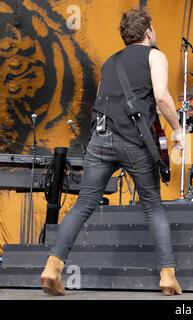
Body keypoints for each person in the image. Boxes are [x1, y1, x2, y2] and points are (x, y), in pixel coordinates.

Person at [40, 8, 184, 296]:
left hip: (101, 139)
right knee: (153, 207)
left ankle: (52, 268)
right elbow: (161, 97)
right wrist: (177, 128)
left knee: (83, 205)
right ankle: (167, 276)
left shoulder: (110, 62)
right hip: (134, 143)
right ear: (149, 32)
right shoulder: (155, 55)